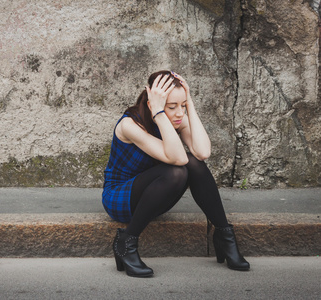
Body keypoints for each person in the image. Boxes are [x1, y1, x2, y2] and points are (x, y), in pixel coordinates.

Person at [102, 70, 250, 278]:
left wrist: (190, 103)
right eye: (172, 107)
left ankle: (224, 235)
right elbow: (179, 160)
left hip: (153, 195)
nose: (179, 113)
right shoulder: (130, 124)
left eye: (182, 105)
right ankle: (126, 242)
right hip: (120, 197)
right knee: (178, 171)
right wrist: (159, 113)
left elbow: (203, 152)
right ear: (152, 102)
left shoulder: (176, 118)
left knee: (194, 165)